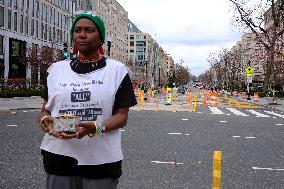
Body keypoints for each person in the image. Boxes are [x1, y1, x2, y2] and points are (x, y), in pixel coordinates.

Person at [38, 12, 137, 189]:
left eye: (89, 30)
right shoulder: (56, 70)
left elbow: (122, 116)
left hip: (101, 161)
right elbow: (45, 109)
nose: (81, 34)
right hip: (59, 158)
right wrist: (46, 121)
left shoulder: (117, 71)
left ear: (101, 37)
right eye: (77, 30)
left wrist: (95, 127)